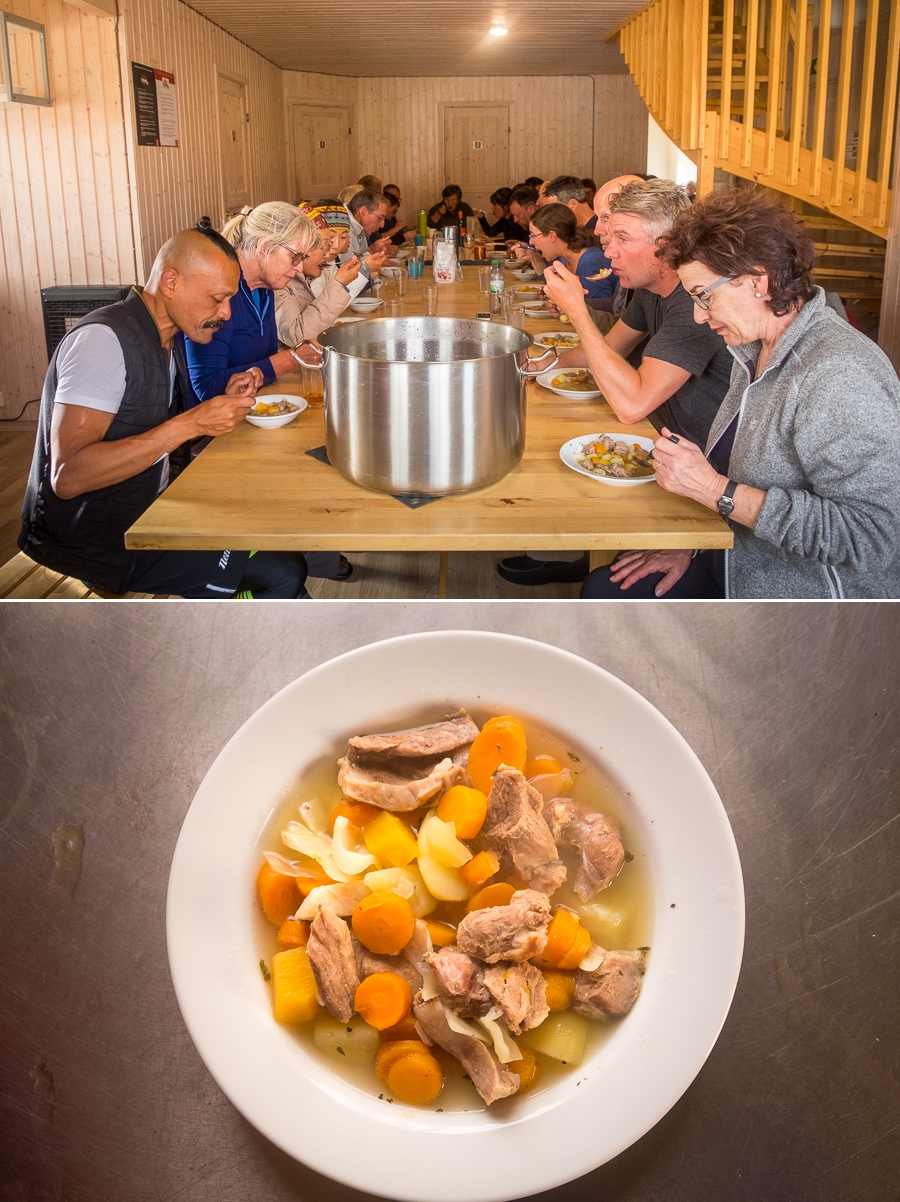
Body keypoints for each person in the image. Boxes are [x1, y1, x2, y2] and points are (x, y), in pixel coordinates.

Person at [582, 187, 900, 600]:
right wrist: (696, 544)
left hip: (804, 601)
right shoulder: (751, 350)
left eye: (703, 296)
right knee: (605, 587)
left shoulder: (838, 372)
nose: (698, 314)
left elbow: (872, 536)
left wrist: (717, 493)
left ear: (756, 282)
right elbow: (743, 476)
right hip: (733, 555)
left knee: (608, 598)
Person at [18, 225, 309, 598]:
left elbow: (152, 420)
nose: (225, 312)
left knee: (271, 513)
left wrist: (215, 400)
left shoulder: (170, 336)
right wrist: (192, 422)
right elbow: (68, 475)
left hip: (152, 506)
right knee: (282, 572)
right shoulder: (102, 341)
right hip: (93, 539)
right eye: (217, 298)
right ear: (170, 283)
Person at [497, 179, 733, 588]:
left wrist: (578, 312)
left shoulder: (694, 304)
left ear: (667, 244)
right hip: (663, 443)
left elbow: (632, 404)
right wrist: (525, 367)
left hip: (701, 470)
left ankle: (573, 554)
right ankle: (570, 552)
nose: (607, 250)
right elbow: (603, 350)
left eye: (621, 237)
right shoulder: (650, 289)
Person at [184, 202, 353, 583]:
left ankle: (318, 556)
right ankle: (291, 564)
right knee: (324, 456)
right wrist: (288, 361)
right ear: (262, 247)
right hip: (217, 440)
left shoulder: (262, 290)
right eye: (294, 257)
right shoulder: (222, 295)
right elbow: (209, 388)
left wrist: (274, 367)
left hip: (255, 420)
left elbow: (253, 371)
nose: (298, 268)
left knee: (333, 443)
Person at [274, 204, 362, 345]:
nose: (328, 253)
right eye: (323, 246)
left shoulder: (302, 276)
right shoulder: (277, 281)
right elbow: (297, 337)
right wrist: (339, 284)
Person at [526, 204, 614, 301]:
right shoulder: (563, 259)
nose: (531, 242)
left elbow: (603, 309)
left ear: (552, 236)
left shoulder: (590, 262)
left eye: (533, 235)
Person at [346, 188, 392, 261]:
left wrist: (372, 252)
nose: (382, 225)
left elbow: (359, 258)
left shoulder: (360, 226)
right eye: (380, 218)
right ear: (363, 211)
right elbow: (347, 266)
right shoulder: (343, 226)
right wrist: (371, 253)